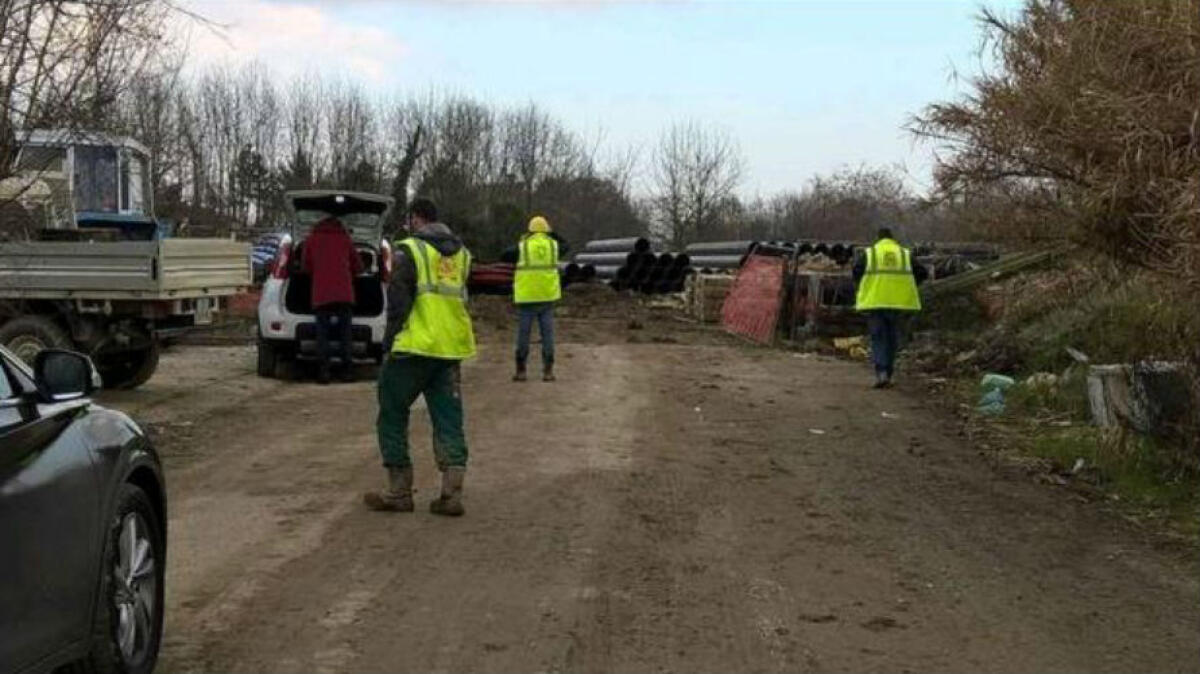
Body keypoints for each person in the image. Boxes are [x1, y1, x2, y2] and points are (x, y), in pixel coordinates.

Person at [364, 197, 476, 517]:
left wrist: (387, 343)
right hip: (449, 349)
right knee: (448, 417)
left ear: (416, 219)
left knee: (392, 411)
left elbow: (398, 302)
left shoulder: (410, 250)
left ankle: (399, 491)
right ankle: (451, 493)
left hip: (413, 347)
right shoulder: (462, 255)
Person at [852, 227, 926, 389]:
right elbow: (922, 272)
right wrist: (909, 286)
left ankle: (881, 372)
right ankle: (889, 373)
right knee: (893, 339)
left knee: (878, 337)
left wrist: (864, 286)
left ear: (878, 238)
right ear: (893, 238)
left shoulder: (870, 253)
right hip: (899, 303)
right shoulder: (904, 254)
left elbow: (856, 271)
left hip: (875, 301)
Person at [302, 215, 362, 384]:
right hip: (344, 293)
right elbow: (358, 266)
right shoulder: (345, 239)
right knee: (345, 333)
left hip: (321, 293)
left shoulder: (312, 239)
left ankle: (323, 372)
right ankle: (347, 371)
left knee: (322, 333)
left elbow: (305, 266)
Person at [512, 215, 562, 382]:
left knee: (523, 334)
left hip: (526, 297)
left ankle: (521, 370)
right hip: (547, 297)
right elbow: (566, 245)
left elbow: (505, 254)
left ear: (529, 230)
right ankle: (548, 371)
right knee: (547, 334)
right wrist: (553, 234)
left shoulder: (522, 246)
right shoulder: (554, 245)